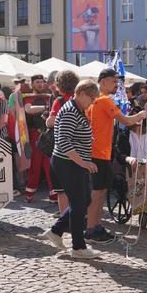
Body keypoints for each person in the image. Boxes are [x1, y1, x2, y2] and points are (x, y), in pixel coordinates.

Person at [41, 80, 101, 259]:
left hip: (72, 163)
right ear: (81, 93)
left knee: (84, 200)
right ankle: (78, 247)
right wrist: (83, 163)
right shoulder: (69, 111)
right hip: (68, 163)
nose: (92, 103)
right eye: (91, 99)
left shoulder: (76, 109)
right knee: (78, 204)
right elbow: (64, 142)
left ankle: (56, 230)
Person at [85, 69, 147, 243]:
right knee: (98, 193)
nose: (116, 85)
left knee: (101, 191)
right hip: (99, 152)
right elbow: (126, 121)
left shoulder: (94, 100)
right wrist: (141, 115)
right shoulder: (104, 100)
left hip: (98, 151)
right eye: (114, 81)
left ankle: (95, 226)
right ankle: (91, 229)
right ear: (103, 81)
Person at [46, 70, 80, 214]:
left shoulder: (59, 101)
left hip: (62, 149)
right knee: (77, 185)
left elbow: (50, 122)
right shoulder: (81, 99)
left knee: (62, 189)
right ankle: (79, 213)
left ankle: (65, 217)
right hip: (79, 147)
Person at [23, 74, 53, 203]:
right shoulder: (28, 97)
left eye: (42, 82)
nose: (40, 84)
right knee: (35, 165)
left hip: (49, 134)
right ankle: (29, 194)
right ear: (32, 84)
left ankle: (54, 195)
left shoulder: (50, 97)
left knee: (50, 166)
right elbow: (28, 110)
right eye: (37, 82)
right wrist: (47, 108)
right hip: (35, 134)